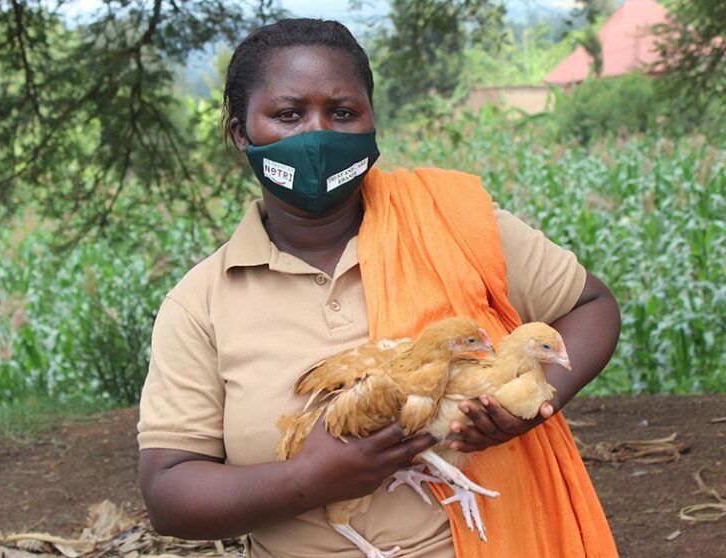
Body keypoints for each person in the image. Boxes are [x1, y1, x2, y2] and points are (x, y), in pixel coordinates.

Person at [137, 18, 621, 558]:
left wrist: (524, 404)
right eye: (288, 114)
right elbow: (169, 492)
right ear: (241, 133)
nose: (316, 135)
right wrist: (309, 480)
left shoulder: (456, 226)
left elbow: (591, 305)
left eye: (342, 113)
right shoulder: (202, 302)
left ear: (371, 127)